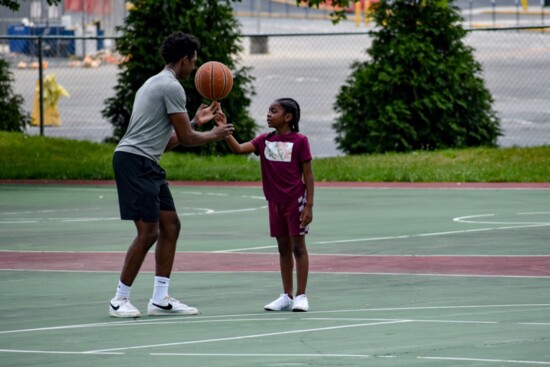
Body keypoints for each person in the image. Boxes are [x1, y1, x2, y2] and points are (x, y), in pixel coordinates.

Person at [109, 32, 234, 318]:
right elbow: (188, 140)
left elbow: (168, 140)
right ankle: (119, 298)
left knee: (171, 226)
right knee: (149, 231)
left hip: (146, 160)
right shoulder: (172, 87)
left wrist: (193, 122)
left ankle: (160, 298)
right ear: (185, 59)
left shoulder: (155, 82)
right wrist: (213, 134)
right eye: (194, 61)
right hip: (134, 161)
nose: (195, 67)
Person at [215, 98, 314, 312]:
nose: (268, 115)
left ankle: (301, 295)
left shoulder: (299, 141)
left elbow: (309, 174)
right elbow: (239, 149)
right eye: (269, 111)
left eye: (274, 111)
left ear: (288, 117)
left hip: (295, 201)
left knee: (298, 248)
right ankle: (286, 296)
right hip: (274, 202)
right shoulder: (264, 140)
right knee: (283, 248)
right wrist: (223, 129)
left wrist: (309, 206)